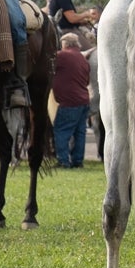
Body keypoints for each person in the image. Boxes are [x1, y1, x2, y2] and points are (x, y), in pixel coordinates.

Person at [52, 32, 91, 169]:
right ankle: (77, 161)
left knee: (61, 130)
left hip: (69, 102)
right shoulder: (82, 58)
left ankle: (63, 161)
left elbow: (48, 64)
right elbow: (87, 81)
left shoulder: (62, 56)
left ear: (65, 44)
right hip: (84, 101)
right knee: (80, 133)